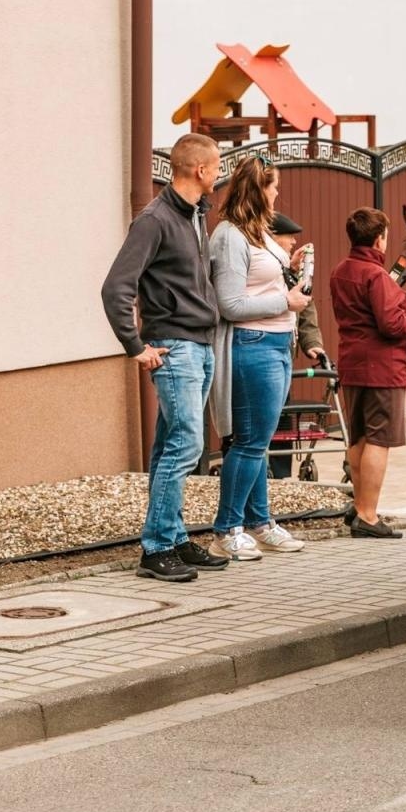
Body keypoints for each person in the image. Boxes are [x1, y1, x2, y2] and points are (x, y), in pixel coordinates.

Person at [101, 134, 230, 582]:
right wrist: (135, 346)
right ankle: (156, 549)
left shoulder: (195, 216)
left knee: (169, 446)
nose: (218, 174)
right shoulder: (154, 220)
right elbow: (116, 286)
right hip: (174, 348)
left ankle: (172, 537)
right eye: (216, 167)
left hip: (199, 345)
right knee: (186, 445)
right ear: (200, 170)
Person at [209, 156, 312, 559]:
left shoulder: (259, 234)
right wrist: (283, 299)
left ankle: (259, 520)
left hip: (277, 343)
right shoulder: (230, 236)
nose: (276, 195)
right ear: (257, 191)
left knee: (260, 442)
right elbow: (231, 303)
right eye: (273, 188)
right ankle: (227, 528)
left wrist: (293, 268)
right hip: (252, 345)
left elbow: (262, 281)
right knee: (249, 442)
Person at [330, 207, 406, 538]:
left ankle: (359, 506)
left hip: (352, 363)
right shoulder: (377, 275)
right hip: (383, 367)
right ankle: (368, 515)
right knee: (379, 440)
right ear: (380, 238)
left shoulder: (340, 271)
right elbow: (391, 324)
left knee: (359, 437)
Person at [266, 212, 327, 479]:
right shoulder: (265, 268)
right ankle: (265, 473)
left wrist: (313, 345)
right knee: (265, 418)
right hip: (264, 353)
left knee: (282, 417)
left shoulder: (290, 272)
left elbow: (306, 309)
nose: (293, 241)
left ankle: (282, 475)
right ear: (272, 238)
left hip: (285, 357)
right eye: (288, 236)